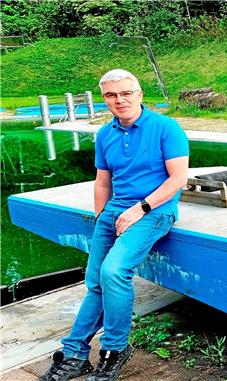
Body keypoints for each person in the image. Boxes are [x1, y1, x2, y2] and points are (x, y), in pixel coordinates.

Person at [39, 69, 189, 381]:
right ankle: (75, 353)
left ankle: (114, 349)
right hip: (113, 213)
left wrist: (140, 208)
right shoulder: (106, 134)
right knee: (95, 282)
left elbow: (178, 179)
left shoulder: (166, 128)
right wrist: (101, 220)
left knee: (114, 272)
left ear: (139, 94)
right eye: (111, 95)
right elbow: (102, 183)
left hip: (155, 211)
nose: (119, 100)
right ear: (104, 99)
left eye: (125, 93)